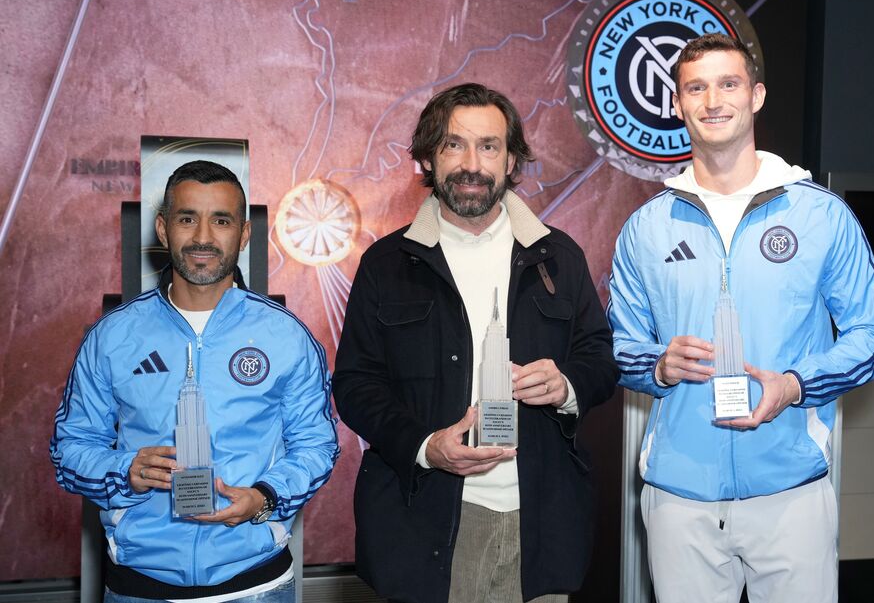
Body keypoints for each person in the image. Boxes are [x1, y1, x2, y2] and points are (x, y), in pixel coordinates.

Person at [609, 33, 874, 603]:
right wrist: (659, 365)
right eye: (696, 87)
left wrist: (795, 385)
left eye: (728, 83)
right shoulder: (646, 227)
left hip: (789, 488)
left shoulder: (820, 214)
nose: (713, 100)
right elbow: (617, 346)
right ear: (677, 104)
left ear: (757, 95)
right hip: (679, 494)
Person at [332, 83, 618, 603]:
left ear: (511, 160)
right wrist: (425, 447)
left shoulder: (560, 257)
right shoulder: (388, 264)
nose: (471, 163)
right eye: (452, 145)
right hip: (425, 524)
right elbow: (356, 384)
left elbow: (599, 360)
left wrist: (566, 384)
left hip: (543, 524)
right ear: (427, 157)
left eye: (488, 146)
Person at [50, 160, 339, 602]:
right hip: (140, 589)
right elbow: (69, 448)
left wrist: (263, 497)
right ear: (164, 229)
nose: (203, 237)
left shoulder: (288, 337)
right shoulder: (112, 336)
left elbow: (317, 445)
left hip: (256, 586)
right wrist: (124, 471)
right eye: (188, 219)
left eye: (221, 221)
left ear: (243, 235)